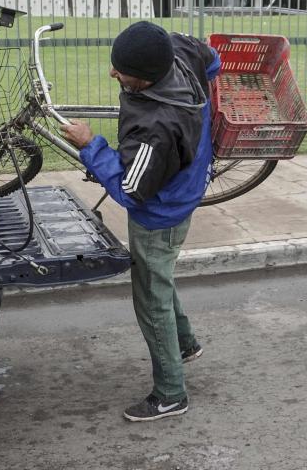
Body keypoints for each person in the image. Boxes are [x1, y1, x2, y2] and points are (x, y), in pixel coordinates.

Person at [61, 21, 220, 422]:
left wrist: (90, 146)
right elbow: (213, 61)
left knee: (150, 297)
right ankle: (184, 344)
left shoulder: (156, 127)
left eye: (121, 71)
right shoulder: (179, 49)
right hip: (187, 183)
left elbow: (131, 189)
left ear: (147, 79)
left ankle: (170, 394)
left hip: (161, 212)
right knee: (158, 275)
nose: (112, 73)